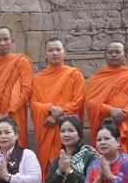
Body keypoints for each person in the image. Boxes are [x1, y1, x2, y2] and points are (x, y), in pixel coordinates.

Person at [29, 38, 86, 171]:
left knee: (71, 163)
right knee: (49, 166)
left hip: (67, 128)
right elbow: (33, 103)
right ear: (45, 54)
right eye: (50, 50)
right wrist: (49, 108)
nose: (54, 53)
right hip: (47, 128)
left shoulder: (74, 75)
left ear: (64, 53)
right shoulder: (37, 79)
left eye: (58, 49)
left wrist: (56, 117)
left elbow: (78, 101)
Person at [85, 41, 128, 152]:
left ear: (125, 55)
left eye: (117, 52)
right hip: (104, 123)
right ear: (105, 55)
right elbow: (90, 102)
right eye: (110, 52)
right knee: (104, 154)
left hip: (126, 122)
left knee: (127, 156)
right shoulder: (96, 78)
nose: (113, 55)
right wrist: (110, 110)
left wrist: (123, 113)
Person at [0, 26, 33, 154]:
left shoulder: (21, 62)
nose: (2, 43)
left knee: (17, 150)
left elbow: (26, 90)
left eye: (6, 39)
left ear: (12, 40)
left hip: (15, 113)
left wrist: (9, 111)